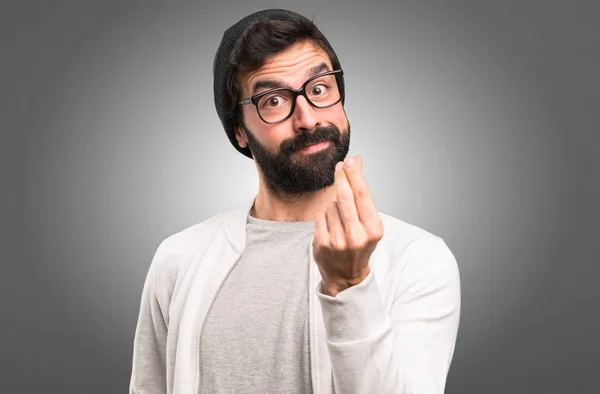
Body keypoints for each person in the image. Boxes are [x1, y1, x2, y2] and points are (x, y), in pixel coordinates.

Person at [129, 8, 461, 394]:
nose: (307, 118)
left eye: (319, 89)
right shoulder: (179, 259)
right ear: (239, 131)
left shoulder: (417, 259)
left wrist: (350, 285)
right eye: (273, 100)